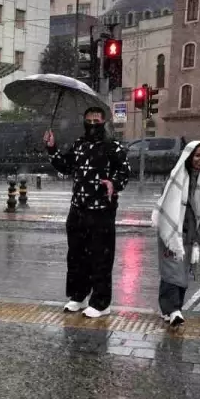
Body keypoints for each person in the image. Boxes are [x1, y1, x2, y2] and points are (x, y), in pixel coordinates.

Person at [43, 105, 131, 318]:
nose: (92, 125)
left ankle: (101, 302)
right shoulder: (79, 145)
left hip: (101, 211)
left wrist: (113, 183)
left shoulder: (113, 147)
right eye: (88, 121)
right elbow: (66, 166)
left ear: (103, 122)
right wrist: (52, 148)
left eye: (96, 121)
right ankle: (78, 295)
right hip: (78, 209)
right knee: (76, 256)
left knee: (100, 258)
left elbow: (125, 171)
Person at [152, 141, 200, 326]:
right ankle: (173, 310)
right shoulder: (176, 177)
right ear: (189, 156)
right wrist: (171, 230)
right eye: (198, 155)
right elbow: (167, 203)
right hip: (172, 232)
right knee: (171, 271)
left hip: (190, 233)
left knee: (182, 271)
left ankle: (172, 308)